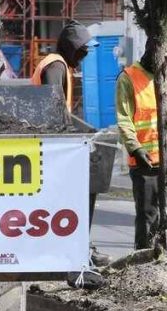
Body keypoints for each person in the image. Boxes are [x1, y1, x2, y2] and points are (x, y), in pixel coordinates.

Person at [31, 21, 109, 286]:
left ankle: (79, 250)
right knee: (74, 198)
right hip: (50, 149)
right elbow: (52, 108)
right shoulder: (55, 66)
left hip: (53, 146)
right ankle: (75, 257)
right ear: (71, 47)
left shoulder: (60, 64)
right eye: (82, 50)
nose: (84, 56)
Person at [115, 43, 163, 251]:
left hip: (165, 158)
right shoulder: (128, 78)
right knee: (147, 215)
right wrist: (135, 148)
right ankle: (144, 257)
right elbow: (124, 118)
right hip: (145, 161)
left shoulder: (164, 74)